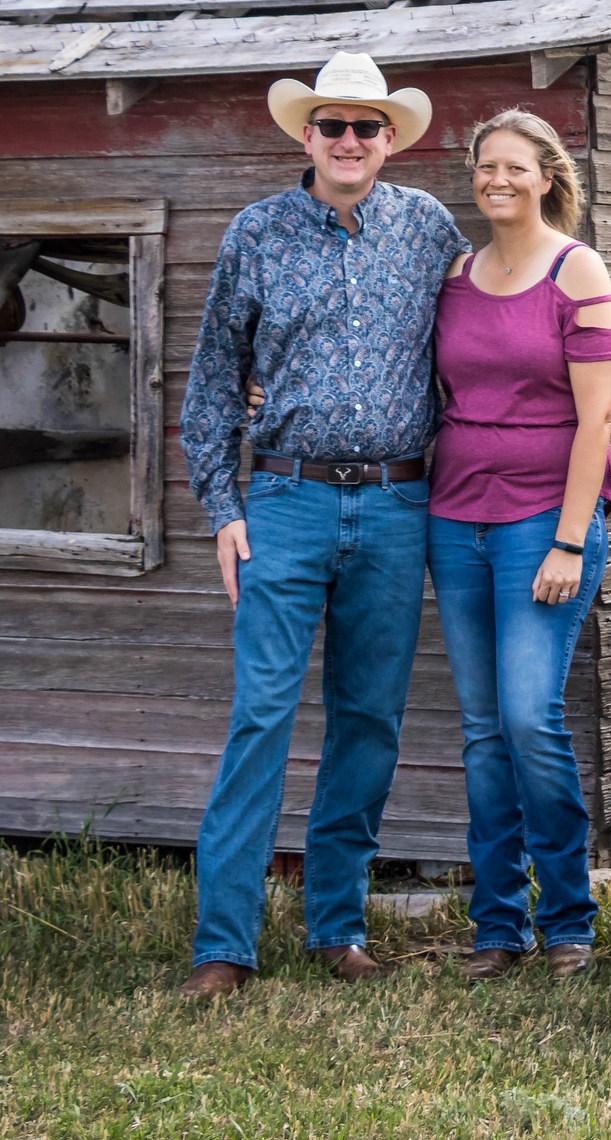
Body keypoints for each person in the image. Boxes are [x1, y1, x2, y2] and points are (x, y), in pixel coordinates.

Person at [176, 51, 468, 998]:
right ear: (306, 135)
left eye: (367, 127)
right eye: (333, 125)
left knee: (370, 722)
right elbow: (215, 378)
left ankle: (335, 924)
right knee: (261, 715)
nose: (350, 141)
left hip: (395, 503)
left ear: (391, 140)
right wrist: (223, 509)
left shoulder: (429, 229)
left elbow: (479, 344)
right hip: (286, 503)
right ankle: (224, 945)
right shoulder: (256, 233)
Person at [428, 109, 611, 980]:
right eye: (483, 167)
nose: (496, 180)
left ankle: (570, 918)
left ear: (547, 176)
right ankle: (498, 925)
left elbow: (600, 418)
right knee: (480, 732)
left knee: (528, 718)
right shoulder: (457, 276)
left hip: (545, 525)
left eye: (513, 167)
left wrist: (571, 541)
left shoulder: (576, 269)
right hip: (452, 519)